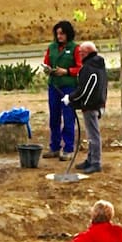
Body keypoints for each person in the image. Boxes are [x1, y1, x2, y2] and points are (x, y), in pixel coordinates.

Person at [67, 41, 107, 174]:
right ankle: (90, 160)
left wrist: (71, 98)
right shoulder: (99, 65)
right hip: (97, 104)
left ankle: (95, 162)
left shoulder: (88, 67)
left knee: (93, 135)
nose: (79, 54)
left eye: (81, 52)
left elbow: (83, 90)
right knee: (91, 135)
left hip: (91, 106)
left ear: (86, 53)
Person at [44, 20, 82, 162]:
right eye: (57, 34)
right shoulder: (52, 47)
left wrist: (66, 71)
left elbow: (80, 67)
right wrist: (48, 69)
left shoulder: (75, 49)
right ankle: (54, 147)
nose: (59, 36)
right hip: (54, 86)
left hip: (68, 88)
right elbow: (47, 62)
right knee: (54, 117)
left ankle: (68, 148)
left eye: (62, 34)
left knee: (68, 118)